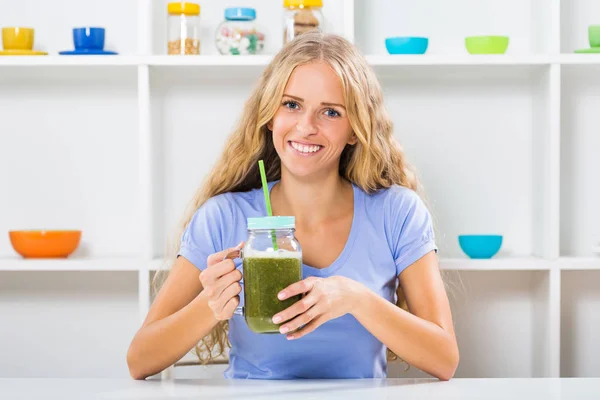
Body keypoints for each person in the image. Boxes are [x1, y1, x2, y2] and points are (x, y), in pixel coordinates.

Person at [127, 31, 459, 381]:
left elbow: (444, 359)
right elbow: (140, 359)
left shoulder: (397, 214)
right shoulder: (222, 217)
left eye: (330, 112)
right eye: (291, 105)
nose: (306, 127)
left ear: (355, 129)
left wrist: (356, 298)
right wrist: (209, 306)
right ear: (270, 115)